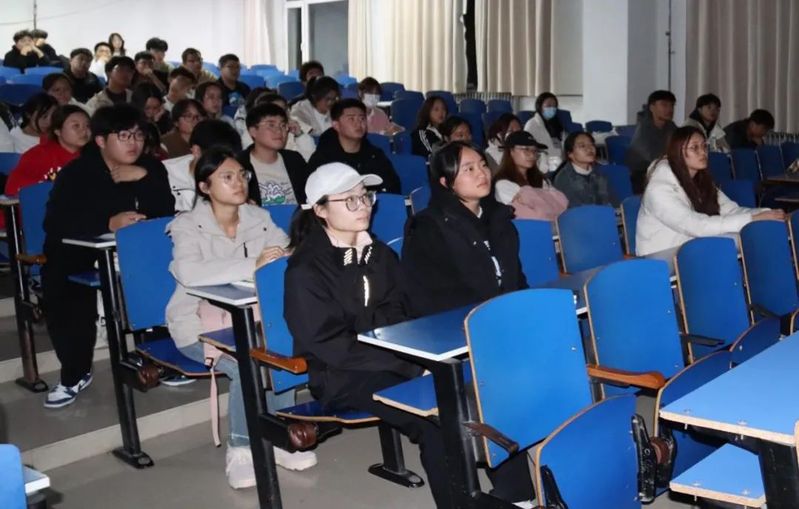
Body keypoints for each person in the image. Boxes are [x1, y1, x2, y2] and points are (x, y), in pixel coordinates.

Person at [166, 147, 317, 487]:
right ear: (204, 187)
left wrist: (284, 257)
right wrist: (254, 265)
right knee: (243, 365)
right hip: (198, 325)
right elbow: (189, 272)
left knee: (280, 355)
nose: (239, 182)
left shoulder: (257, 217)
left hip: (253, 320)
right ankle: (241, 449)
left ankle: (279, 437)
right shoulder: (186, 225)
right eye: (227, 177)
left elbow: (287, 255)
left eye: (242, 175)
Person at [400, 143, 535, 506]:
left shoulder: (499, 219)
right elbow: (427, 300)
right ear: (446, 182)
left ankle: (517, 491)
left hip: (498, 331)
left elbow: (516, 280)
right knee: (487, 393)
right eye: (468, 169)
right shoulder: (428, 227)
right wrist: (488, 328)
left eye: (482, 165)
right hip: (451, 338)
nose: (482, 173)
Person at [42, 103, 174, 409]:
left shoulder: (150, 167)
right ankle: (76, 372)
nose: (134, 143)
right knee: (63, 284)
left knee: (165, 265)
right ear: (101, 140)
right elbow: (55, 222)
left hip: (135, 253)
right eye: (124, 136)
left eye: (138, 135)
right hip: (80, 253)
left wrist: (143, 177)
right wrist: (107, 223)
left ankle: (160, 359)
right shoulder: (77, 172)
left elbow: (165, 212)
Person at [636, 126, 783, 255]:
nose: (703, 152)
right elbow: (696, 225)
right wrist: (752, 219)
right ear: (677, 152)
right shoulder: (659, 189)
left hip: (689, 249)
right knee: (738, 240)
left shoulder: (700, 180)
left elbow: (731, 210)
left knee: (753, 234)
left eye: (704, 146)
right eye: (694, 148)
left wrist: (767, 214)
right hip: (660, 258)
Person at [307, 98, 401, 193]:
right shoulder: (322, 159)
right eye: (351, 119)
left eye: (362, 118)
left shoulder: (375, 155)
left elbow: (393, 188)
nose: (358, 123)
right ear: (336, 125)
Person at [6, 105, 90, 195]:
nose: (84, 131)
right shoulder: (38, 156)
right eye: (76, 126)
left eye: (88, 125)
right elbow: (12, 187)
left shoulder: (95, 155)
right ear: (58, 131)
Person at [162, 119, 243, 211]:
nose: (226, 164)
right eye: (218, 158)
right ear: (197, 151)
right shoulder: (164, 173)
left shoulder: (238, 175)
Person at [240, 103, 311, 206]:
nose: (279, 131)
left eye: (283, 125)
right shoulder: (240, 165)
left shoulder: (294, 160)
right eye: (271, 125)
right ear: (253, 131)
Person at [493, 131, 568, 221]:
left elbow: (561, 205)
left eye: (534, 151)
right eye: (525, 149)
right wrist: (545, 199)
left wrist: (529, 197)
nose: (532, 154)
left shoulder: (540, 179)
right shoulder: (503, 184)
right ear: (511, 151)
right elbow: (528, 216)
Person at [626, 90, 678, 194]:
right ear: (652, 107)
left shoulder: (670, 126)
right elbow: (652, 157)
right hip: (642, 174)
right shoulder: (643, 129)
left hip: (663, 170)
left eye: (672, 105)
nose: (669, 109)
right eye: (664, 105)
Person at [239, 92, 316, 161]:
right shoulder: (253, 132)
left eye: (284, 110)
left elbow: (309, 159)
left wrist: (299, 135)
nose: (282, 114)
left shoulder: (294, 126)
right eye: (275, 111)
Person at [552, 132, 612, 207]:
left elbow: (610, 201)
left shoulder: (600, 173)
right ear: (570, 154)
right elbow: (575, 210)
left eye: (591, 144)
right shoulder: (563, 178)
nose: (589, 148)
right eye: (582, 146)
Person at [523, 92, 564, 160]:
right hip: (540, 162)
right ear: (540, 106)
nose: (552, 109)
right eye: (549, 106)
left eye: (554, 106)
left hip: (557, 161)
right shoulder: (532, 124)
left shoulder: (556, 124)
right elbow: (527, 148)